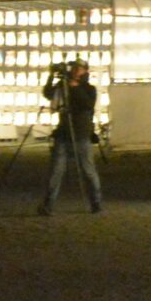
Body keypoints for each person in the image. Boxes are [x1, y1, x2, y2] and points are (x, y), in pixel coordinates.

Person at [39, 58, 104, 215]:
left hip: (81, 134)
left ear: (85, 71)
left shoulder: (89, 89)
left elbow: (87, 104)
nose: (75, 70)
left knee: (88, 171)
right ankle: (48, 205)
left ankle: (96, 202)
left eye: (79, 68)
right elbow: (48, 93)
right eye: (74, 67)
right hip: (63, 133)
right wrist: (51, 76)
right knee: (56, 171)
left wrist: (74, 88)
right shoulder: (63, 86)